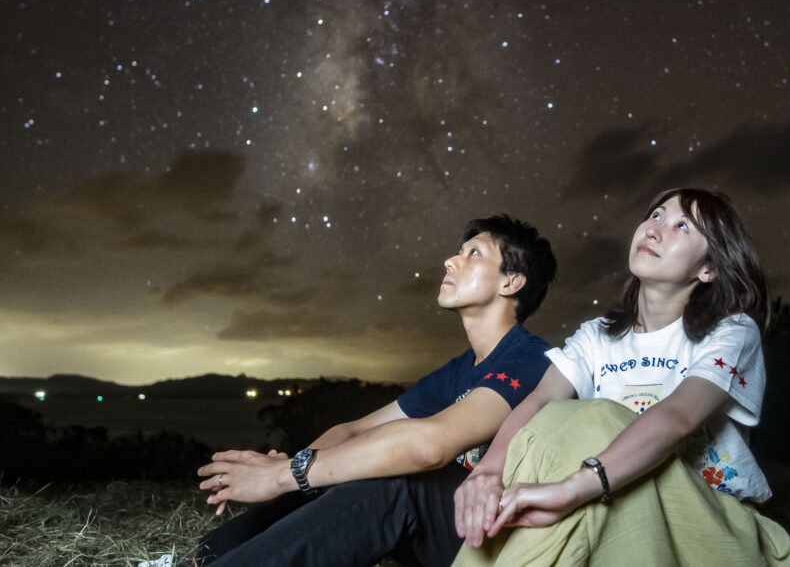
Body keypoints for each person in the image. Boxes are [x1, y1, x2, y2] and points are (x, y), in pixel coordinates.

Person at [453, 188, 790, 566]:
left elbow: (679, 417)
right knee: (558, 433)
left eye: (681, 226)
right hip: (621, 513)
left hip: (711, 530)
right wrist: (487, 473)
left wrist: (574, 487)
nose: (654, 230)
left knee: (594, 423)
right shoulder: (598, 335)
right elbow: (538, 401)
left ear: (710, 267)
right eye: (655, 215)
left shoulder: (731, 331)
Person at [190, 214, 557, 566]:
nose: (449, 261)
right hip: (451, 528)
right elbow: (354, 431)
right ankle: (198, 561)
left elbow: (429, 447)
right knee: (333, 471)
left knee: (395, 479)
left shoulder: (530, 359)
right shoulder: (457, 370)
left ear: (511, 282)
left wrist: (282, 476)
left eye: (472, 253)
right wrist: (289, 468)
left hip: (503, 542)